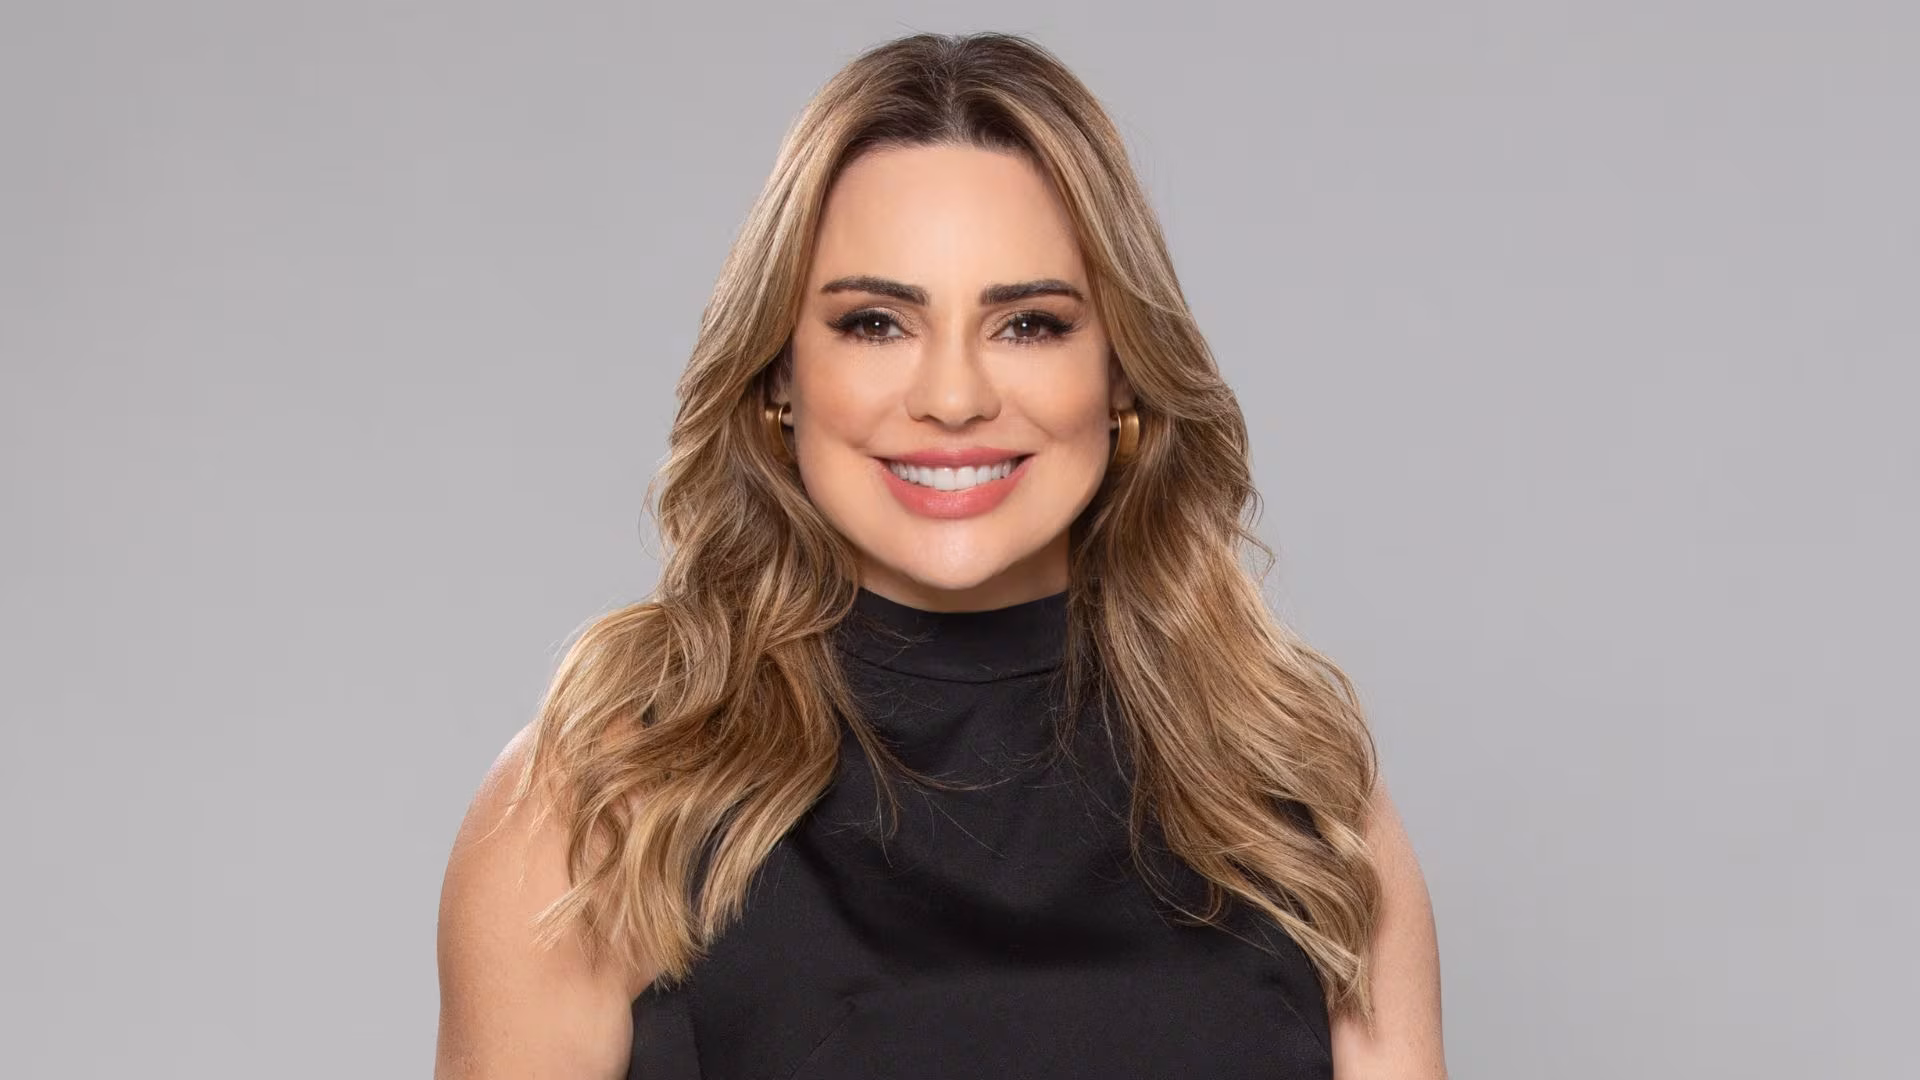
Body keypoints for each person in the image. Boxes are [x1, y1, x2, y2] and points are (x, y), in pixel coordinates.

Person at [435, 30, 1445, 1080]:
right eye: (877, 323)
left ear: (1122, 375)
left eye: (1029, 325)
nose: (954, 398)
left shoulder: (1294, 795)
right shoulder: (599, 807)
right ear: (780, 375)